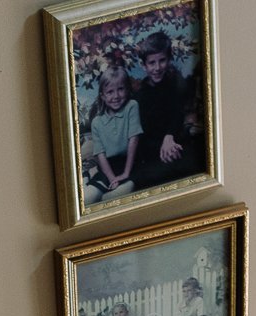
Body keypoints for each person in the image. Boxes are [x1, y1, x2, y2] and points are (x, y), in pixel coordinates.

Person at [132, 29, 206, 188]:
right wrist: (165, 144)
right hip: (152, 152)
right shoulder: (140, 96)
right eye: (152, 63)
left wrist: (170, 137)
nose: (157, 67)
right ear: (143, 65)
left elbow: (177, 115)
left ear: (169, 59)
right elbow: (143, 134)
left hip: (174, 144)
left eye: (162, 60)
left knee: (196, 166)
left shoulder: (174, 84)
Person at [83, 65, 142, 204]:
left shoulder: (132, 106)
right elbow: (100, 154)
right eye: (110, 92)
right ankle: (86, 178)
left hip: (129, 165)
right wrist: (112, 179)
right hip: (107, 168)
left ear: (127, 90)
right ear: (102, 96)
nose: (116, 96)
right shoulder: (97, 122)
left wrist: (126, 173)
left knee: (123, 193)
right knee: (87, 198)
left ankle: (106, 198)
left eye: (120, 89)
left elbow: (133, 140)